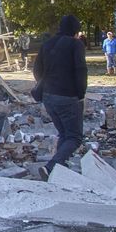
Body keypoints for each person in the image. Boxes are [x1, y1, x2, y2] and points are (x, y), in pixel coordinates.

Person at [32, 15, 88, 180]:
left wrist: (47, 84)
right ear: (75, 30)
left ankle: (58, 169)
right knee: (74, 137)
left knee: (64, 133)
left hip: (48, 96)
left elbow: (37, 70)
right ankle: (51, 167)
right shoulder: (75, 45)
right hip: (67, 96)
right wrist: (81, 94)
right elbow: (80, 70)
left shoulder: (47, 44)